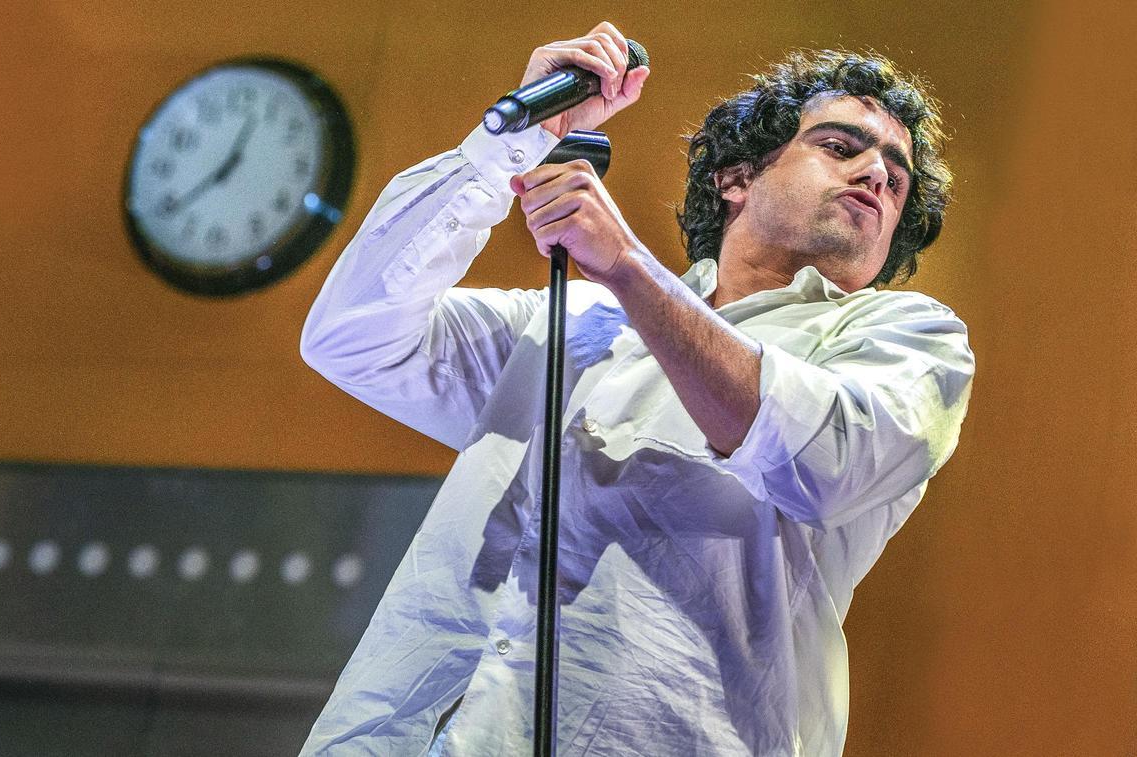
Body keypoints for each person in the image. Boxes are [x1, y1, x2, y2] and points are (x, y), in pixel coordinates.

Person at [298, 21, 974, 757]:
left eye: (897, 180)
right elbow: (351, 336)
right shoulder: (570, 322)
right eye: (841, 148)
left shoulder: (909, 340)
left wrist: (626, 264)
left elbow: (821, 461)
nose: (875, 175)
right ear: (736, 179)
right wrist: (511, 144)